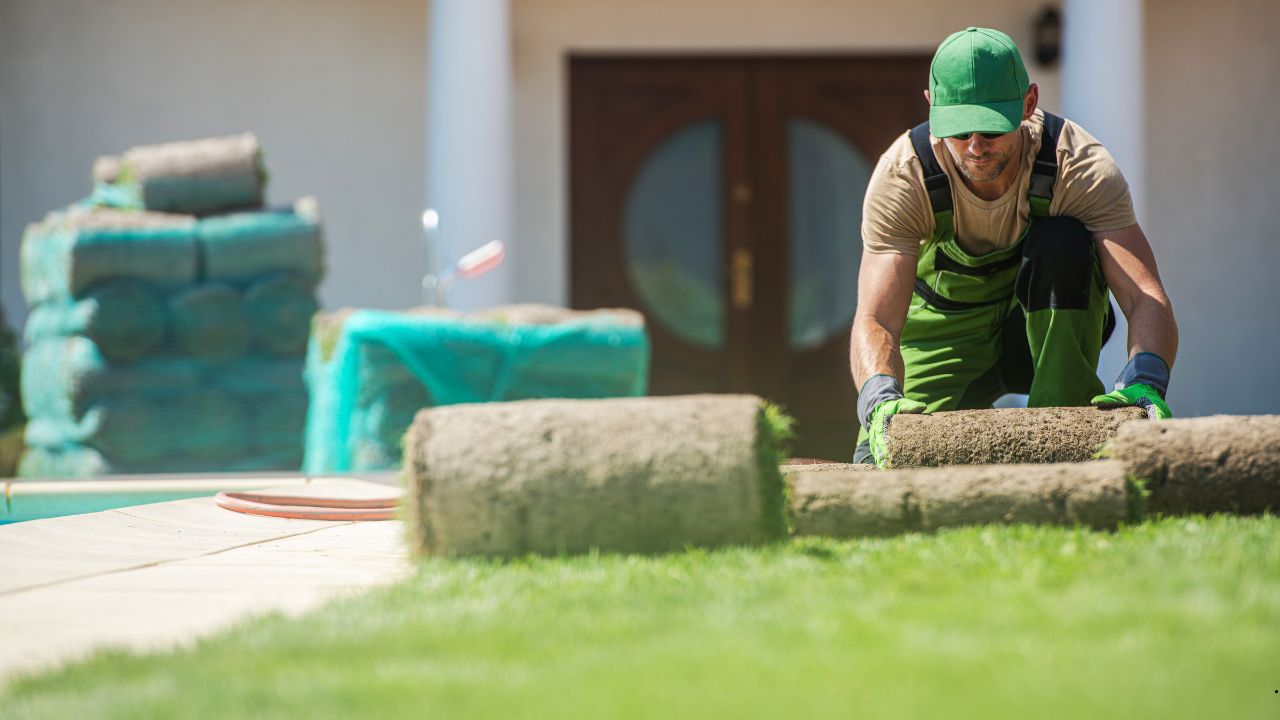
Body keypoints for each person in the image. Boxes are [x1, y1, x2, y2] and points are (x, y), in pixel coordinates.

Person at [850, 27, 1178, 467]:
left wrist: (1146, 380)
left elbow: (1144, 296)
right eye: (959, 129)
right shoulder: (904, 176)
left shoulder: (1077, 166)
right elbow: (876, 317)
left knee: (1063, 240)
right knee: (877, 463)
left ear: (1028, 104)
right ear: (931, 104)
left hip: (1048, 332)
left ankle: (1064, 427)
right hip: (944, 335)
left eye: (990, 127)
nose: (975, 146)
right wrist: (879, 399)